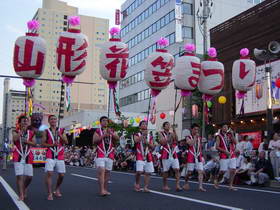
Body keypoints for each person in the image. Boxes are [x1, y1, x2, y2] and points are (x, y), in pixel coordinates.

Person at [42, 115, 68, 200]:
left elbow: (66, 141)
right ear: (49, 121)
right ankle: (49, 193)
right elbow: (43, 143)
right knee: (49, 173)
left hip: (60, 154)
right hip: (50, 154)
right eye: (51, 119)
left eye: (54, 119)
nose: (53, 120)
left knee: (62, 175)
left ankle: (57, 188)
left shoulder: (61, 130)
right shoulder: (46, 131)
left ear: (56, 120)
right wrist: (52, 144)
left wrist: (60, 136)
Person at [92, 116, 119, 196]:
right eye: (103, 120)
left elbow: (117, 138)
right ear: (100, 122)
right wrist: (103, 135)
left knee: (107, 173)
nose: (105, 122)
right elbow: (94, 141)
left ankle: (105, 189)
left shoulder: (111, 130)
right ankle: (101, 190)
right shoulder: (97, 131)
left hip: (110, 154)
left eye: (106, 121)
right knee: (101, 171)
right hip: (100, 153)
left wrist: (111, 133)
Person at [12, 115, 36, 200]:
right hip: (18, 155)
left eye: (26, 120)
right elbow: (15, 139)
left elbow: (34, 143)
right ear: (20, 122)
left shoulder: (31, 132)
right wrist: (20, 132)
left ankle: (23, 188)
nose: (25, 122)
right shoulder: (15, 131)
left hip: (28, 155)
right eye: (23, 121)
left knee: (29, 177)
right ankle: (21, 194)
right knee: (19, 176)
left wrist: (27, 141)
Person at [159, 122, 182, 191]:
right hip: (166, 153)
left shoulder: (171, 133)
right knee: (166, 171)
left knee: (177, 169)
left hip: (173, 153)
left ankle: (177, 185)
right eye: (167, 125)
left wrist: (174, 131)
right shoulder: (161, 133)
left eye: (169, 125)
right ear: (163, 127)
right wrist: (169, 136)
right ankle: (165, 185)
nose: (168, 126)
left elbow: (177, 140)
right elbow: (163, 142)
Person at [183, 123, 206, 192]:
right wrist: (195, 138)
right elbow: (190, 144)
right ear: (192, 129)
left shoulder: (199, 138)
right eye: (195, 129)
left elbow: (200, 147)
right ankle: (186, 182)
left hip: (198, 155)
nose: (196, 131)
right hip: (191, 156)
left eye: (197, 129)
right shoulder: (188, 137)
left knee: (200, 171)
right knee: (190, 172)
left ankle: (200, 186)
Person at [215, 124, 238, 190]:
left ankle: (230, 185)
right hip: (224, 155)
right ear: (221, 128)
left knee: (233, 170)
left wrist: (232, 134)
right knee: (223, 171)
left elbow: (235, 142)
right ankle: (217, 179)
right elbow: (217, 147)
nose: (225, 128)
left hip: (231, 154)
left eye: (227, 127)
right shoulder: (218, 136)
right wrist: (225, 151)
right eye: (224, 127)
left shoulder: (229, 135)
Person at [134, 120, 154, 192]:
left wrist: (147, 142)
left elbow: (152, 146)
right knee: (139, 171)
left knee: (148, 172)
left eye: (145, 124)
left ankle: (145, 187)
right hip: (139, 154)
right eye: (143, 124)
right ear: (140, 126)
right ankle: (137, 183)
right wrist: (142, 135)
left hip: (148, 155)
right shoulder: (137, 134)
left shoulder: (150, 136)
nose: (144, 125)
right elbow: (136, 141)